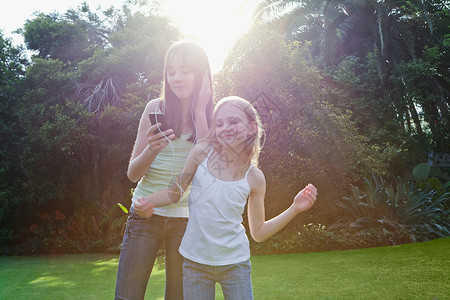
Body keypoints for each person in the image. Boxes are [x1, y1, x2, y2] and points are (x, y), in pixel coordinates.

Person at [134, 96, 318, 300]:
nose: (225, 128)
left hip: (235, 264)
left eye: (233, 121)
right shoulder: (201, 153)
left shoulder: (255, 178)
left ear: (252, 128)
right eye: (219, 123)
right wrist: (150, 201)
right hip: (195, 263)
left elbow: (258, 233)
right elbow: (174, 192)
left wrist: (294, 208)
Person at [114, 40, 215, 300]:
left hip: (186, 221)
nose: (177, 78)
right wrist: (152, 149)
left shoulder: (212, 116)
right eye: (171, 71)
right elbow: (133, 175)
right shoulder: (154, 109)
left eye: (185, 70)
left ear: (201, 74)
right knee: (127, 296)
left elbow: (209, 172)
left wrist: (201, 111)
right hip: (145, 216)